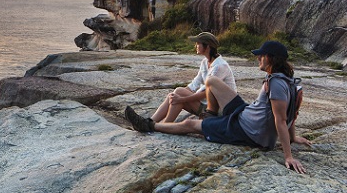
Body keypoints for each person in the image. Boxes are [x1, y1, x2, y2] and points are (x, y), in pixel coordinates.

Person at [124, 40, 312, 174]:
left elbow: (281, 119)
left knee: (190, 124)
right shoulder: (289, 82)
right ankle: (210, 116)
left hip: (245, 130)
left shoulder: (277, 84)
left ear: (270, 58)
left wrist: (288, 156)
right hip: (245, 114)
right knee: (211, 81)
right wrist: (293, 137)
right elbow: (292, 114)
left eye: (261, 56)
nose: (258, 59)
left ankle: (149, 125)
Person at [149, 32, 236, 123]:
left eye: (198, 43)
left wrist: (182, 98)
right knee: (176, 94)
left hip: (219, 111)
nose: (196, 46)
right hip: (207, 105)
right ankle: (151, 122)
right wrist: (178, 95)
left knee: (179, 93)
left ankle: (163, 125)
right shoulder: (205, 62)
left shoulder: (220, 66)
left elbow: (205, 93)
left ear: (208, 46)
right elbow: (194, 84)